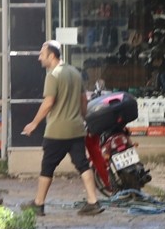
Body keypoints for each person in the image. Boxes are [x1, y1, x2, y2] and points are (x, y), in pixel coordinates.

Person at [20, 40, 103, 216]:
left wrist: (34, 123)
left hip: (57, 131)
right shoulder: (75, 72)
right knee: (82, 164)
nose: (39, 58)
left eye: (42, 54)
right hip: (76, 129)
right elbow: (84, 101)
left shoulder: (53, 75)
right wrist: (81, 117)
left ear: (52, 56)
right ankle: (93, 201)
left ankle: (39, 204)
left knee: (47, 166)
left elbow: (48, 102)